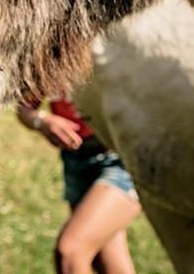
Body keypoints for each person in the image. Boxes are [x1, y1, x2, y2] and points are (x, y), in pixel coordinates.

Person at [18, 98, 142, 274]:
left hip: (118, 159)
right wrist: (42, 121)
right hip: (76, 161)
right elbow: (24, 109)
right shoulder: (53, 69)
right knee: (107, 264)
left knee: (70, 252)